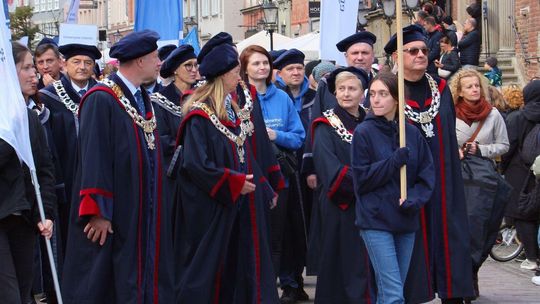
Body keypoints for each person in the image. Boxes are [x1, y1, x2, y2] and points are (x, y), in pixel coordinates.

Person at [62, 30, 174, 303]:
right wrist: (97, 210)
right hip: (114, 214)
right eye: (155, 57)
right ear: (139, 61)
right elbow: (93, 156)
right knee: (107, 282)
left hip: (139, 209)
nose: (159, 63)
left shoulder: (141, 98)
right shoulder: (102, 98)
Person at [174, 33, 278, 303]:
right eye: (235, 72)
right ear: (222, 75)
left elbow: (243, 152)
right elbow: (196, 164)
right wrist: (233, 183)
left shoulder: (232, 108)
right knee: (213, 272)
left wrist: (263, 185)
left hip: (238, 203)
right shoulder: (199, 114)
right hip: (212, 207)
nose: (239, 77)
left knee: (242, 265)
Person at [384, 24, 475, 303]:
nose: (421, 55)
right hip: (408, 179)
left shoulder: (442, 88)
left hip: (444, 175)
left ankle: (453, 291)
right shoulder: (390, 92)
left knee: (451, 232)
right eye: (412, 51)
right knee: (415, 236)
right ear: (397, 57)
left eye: (424, 50)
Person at [352, 71, 435, 304]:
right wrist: (393, 162)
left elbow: (426, 176)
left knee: (392, 292)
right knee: (393, 294)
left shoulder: (411, 134)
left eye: (383, 94)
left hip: (405, 218)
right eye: (373, 94)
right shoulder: (363, 133)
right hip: (376, 219)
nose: (375, 100)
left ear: (397, 99)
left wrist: (414, 200)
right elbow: (362, 179)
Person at [239, 45, 305, 289]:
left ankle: (270, 290)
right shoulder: (236, 97)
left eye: (265, 63)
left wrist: (276, 135)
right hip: (249, 179)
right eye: (256, 63)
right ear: (244, 68)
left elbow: (299, 136)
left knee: (276, 238)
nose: (262, 67)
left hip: (280, 179)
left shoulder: (282, 97)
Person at [0, 42, 56, 304]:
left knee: (24, 292)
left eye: (33, 66)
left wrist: (46, 214)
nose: (34, 73)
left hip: (23, 218)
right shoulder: (9, 121)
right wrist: (10, 130)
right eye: (26, 68)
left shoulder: (30, 118)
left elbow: (44, 170)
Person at [311, 70, 374, 303]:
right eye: (342, 89)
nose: (346, 94)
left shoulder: (373, 121)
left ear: (362, 93)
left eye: (352, 89)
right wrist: (372, 181)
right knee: (342, 264)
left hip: (373, 207)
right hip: (341, 205)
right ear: (335, 92)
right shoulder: (324, 125)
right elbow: (330, 170)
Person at [449, 69, 509, 299]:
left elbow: (503, 145)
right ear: (460, 91)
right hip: (457, 178)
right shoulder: (451, 114)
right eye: (469, 87)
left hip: (483, 180)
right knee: (460, 229)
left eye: (477, 85)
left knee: (481, 229)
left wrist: (480, 149)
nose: (474, 89)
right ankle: (459, 278)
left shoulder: (492, 114)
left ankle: (472, 271)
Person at [39, 43, 102, 249]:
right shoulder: (49, 96)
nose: (82, 67)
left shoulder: (104, 95)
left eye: (88, 63)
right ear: (65, 64)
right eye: (77, 62)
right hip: (66, 177)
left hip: (97, 178)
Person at [273, 48, 314, 303]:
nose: (296, 72)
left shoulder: (317, 97)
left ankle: (297, 278)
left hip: (310, 172)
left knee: (305, 228)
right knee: (286, 229)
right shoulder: (277, 97)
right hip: (284, 171)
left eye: (300, 68)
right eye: (291, 69)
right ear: (281, 73)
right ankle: (288, 281)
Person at [501, 79, 540, 272]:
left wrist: (503, 168)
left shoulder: (518, 117)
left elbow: (508, 147)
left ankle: (532, 257)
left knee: (522, 215)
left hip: (519, 172)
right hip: (537, 171)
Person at [153, 44, 197, 168]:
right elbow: (163, 140)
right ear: (175, 70)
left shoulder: (203, 97)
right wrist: (194, 150)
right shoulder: (160, 100)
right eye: (188, 65)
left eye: (195, 65)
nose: (194, 70)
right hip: (174, 170)